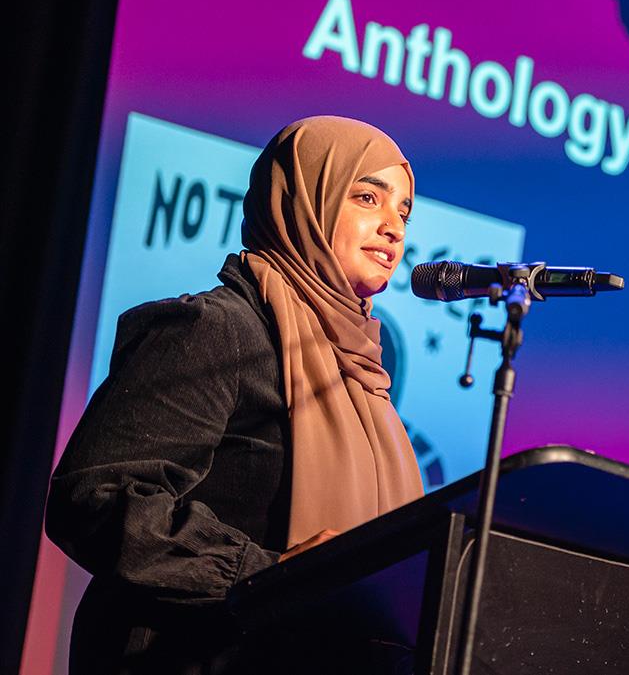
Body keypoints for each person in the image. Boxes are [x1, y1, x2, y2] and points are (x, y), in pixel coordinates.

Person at [45, 116, 425, 674]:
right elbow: (97, 495)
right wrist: (266, 577)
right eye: (368, 196)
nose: (393, 227)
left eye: (404, 212)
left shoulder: (362, 377)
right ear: (303, 202)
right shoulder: (219, 329)